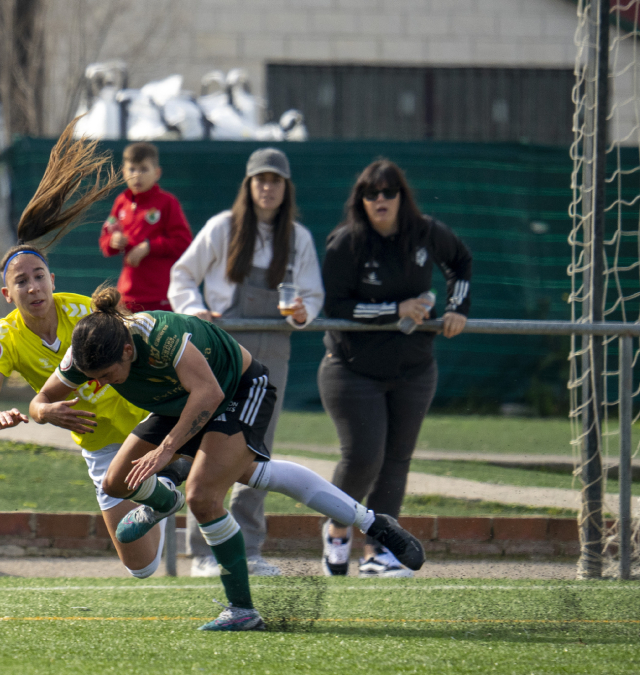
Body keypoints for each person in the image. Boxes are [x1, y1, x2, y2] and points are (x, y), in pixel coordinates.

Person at [31, 286, 423, 630]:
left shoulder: (164, 339)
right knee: (117, 482)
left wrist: (168, 450)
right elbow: (40, 400)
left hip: (237, 391)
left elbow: (209, 395)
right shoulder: (87, 353)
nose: (97, 383)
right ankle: (166, 499)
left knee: (205, 496)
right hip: (180, 403)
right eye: (91, 376)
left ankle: (242, 609)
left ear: (129, 351)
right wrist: (44, 412)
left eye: (106, 374)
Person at [0, 244, 177, 578]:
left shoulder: (84, 311)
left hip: (143, 421)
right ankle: (160, 494)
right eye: (21, 281)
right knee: (141, 566)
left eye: (39, 276)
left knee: (235, 474)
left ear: (52, 280)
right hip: (99, 442)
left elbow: (135, 352)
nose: (33, 287)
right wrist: (1, 416)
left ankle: (170, 487)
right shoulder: (6, 335)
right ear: (7, 294)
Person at [169, 147, 324, 578]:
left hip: (274, 349)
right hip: (221, 347)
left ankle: (248, 549)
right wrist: (195, 310)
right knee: (209, 442)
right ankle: (203, 552)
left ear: (286, 188)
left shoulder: (300, 239)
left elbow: (311, 297)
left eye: (275, 180)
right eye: (260, 179)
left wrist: (301, 314)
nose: (267, 187)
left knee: (257, 448)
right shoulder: (222, 228)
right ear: (249, 185)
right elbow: (182, 275)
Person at [318, 159, 471, 578]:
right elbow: (335, 307)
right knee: (365, 456)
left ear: (402, 197)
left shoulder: (426, 232)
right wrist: (394, 309)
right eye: (372, 193)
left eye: (389, 192)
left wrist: (456, 308)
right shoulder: (346, 242)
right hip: (352, 368)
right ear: (361, 200)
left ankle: (380, 551)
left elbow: (460, 263)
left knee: (397, 459)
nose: (381, 199)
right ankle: (336, 528)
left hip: (415, 368)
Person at [98, 142, 193, 312]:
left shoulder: (167, 202)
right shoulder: (121, 202)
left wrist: (148, 247)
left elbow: (183, 242)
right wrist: (113, 241)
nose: (137, 175)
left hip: (160, 297)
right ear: (124, 172)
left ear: (157, 173)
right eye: (132, 169)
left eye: (143, 169)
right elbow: (105, 241)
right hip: (127, 297)